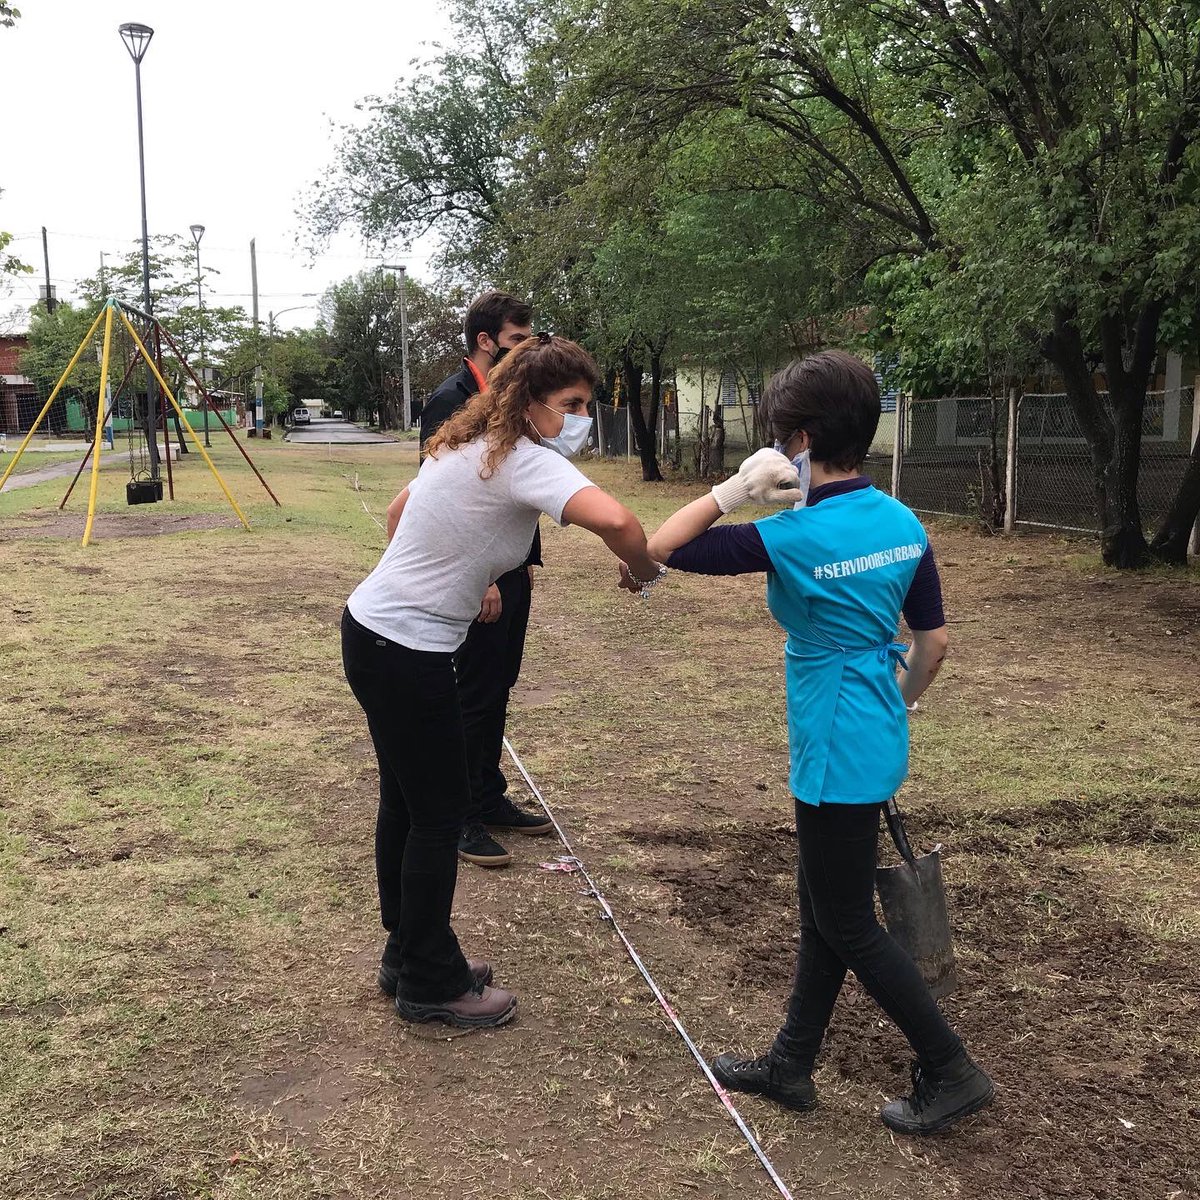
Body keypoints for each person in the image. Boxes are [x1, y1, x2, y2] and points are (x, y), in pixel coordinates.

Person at [641, 350, 994, 1135]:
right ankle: (791, 1063)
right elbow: (933, 645)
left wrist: (730, 492)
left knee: (847, 920)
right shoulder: (903, 522)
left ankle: (951, 1067)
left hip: (832, 739)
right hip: (872, 725)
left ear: (794, 442)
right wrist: (892, 708)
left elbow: (660, 547)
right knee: (822, 906)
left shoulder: (792, 535)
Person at [343, 334, 663, 1029]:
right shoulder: (522, 459)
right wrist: (642, 569)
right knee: (436, 811)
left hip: (372, 631)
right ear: (531, 402)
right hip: (407, 648)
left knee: (406, 801)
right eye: (572, 404)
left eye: (587, 402)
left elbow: (401, 517)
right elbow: (619, 520)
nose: (580, 416)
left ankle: (407, 952)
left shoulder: (466, 445)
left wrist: (461, 567)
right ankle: (429, 980)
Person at [421, 290, 553, 869]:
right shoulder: (451, 401)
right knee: (471, 693)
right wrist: (483, 579)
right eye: (517, 341)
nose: (525, 351)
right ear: (486, 341)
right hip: (477, 576)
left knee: (498, 685)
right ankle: (460, 818)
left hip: (514, 565)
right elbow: (437, 499)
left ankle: (488, 795)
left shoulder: (510, 401)